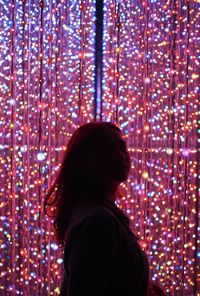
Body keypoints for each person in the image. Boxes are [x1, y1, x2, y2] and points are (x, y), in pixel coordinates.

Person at [44, 121, 165, 296]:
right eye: (107, 149)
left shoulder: (96, 214)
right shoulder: (98, 221)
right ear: (85, 162)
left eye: (122, 147)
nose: (121, 155)